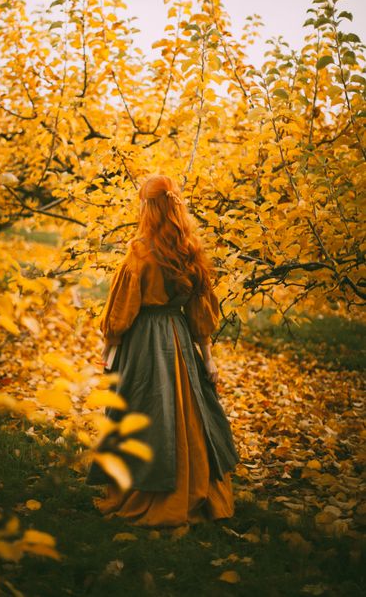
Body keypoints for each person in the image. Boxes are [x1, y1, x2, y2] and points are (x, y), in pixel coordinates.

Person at [85, 174, 240, 527]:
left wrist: (109, 353)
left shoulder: (139, 253)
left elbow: (121, 314)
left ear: (148, 207)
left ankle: (149, 493)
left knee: (148, 410)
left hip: (144, 343)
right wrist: (208, 360)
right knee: (190, 415)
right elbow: (200, 312)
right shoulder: (190, 250)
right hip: (181, 340)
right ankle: (196, 489)